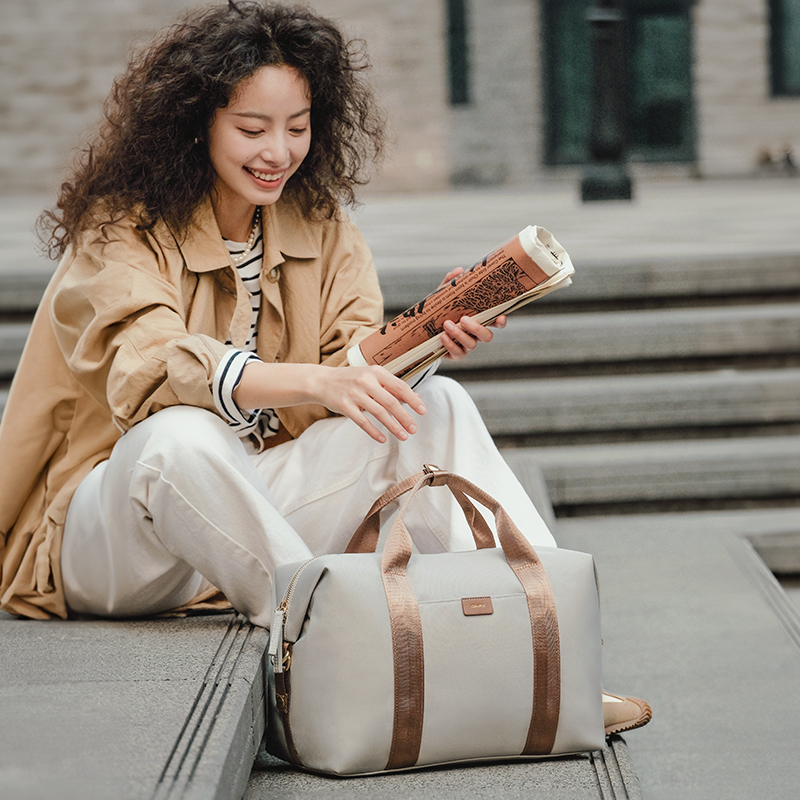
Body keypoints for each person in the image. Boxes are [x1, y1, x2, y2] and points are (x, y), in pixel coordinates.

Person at [0, 0, 648, 734]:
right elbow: (149, 368)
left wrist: (428, 338)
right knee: (180, 436)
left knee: (440, 408)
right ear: (196, 123)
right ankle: (344, 660)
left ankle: (553, 664)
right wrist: (315, 379)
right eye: (252, 129)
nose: (278, 150)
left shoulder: (321, 225)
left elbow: (354, 369)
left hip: (248, 523)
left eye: (298, 126)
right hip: (115, 535)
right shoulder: (121, 226)